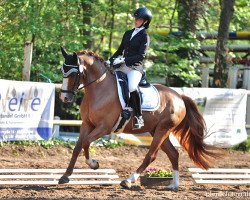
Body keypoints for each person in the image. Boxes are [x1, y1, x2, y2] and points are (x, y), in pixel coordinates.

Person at [106, 7, 152, 129]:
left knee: (131, 86)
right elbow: (120, 50)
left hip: (135, 68)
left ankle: (138, 116)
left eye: (139, 19)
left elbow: (141, 56)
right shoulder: (128, 33)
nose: (136, 21)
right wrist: (110, 60)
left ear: (145, 22)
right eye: (136, 18)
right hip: (122, 66)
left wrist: (125, 59)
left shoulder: (144, 36)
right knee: (110, 82)